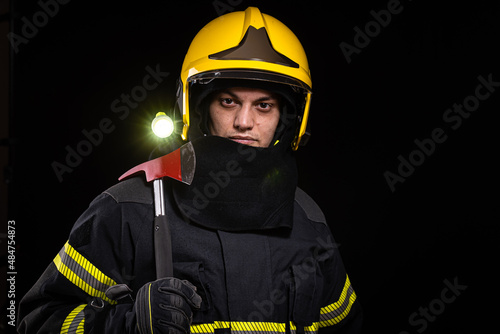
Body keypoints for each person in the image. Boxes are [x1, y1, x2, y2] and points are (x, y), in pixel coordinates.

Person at [18, 7, 363, 334]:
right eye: (228, 101)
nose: (244, 122)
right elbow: (36, 322)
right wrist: (126, 322)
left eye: (264, 105)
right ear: (196, 108)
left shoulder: (308, 219)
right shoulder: (129, 208)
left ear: (290, 120)